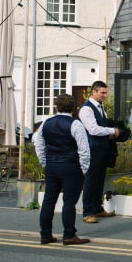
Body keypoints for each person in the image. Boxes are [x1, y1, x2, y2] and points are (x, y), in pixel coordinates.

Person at [33, 93, 91, 246]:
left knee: (48, 201)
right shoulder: (76, 124)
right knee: (69, 202)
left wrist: (45, 162)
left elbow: (38, 145)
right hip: (71, 166)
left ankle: (45, 234)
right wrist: (84, 168)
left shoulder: (46, 123)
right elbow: (84, 149)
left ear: (56, 106)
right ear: (73, 107)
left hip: (52, 165)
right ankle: (69, 235)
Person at [79, 80, 120, 223]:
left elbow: (100, 127)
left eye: (105, 93)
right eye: (102, 93)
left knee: (99, 179)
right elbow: (93, 129)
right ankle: (87, 212)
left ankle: (97, 208)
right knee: (91, 180)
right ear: (94, 91)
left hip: (102, 148)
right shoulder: (86, 109)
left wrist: (108, 133)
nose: (104, 95)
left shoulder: (100, 107)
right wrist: (112, 131)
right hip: (92, 148)